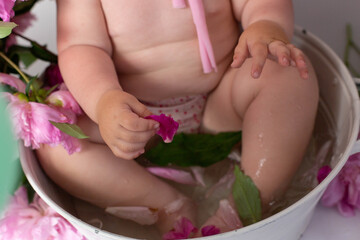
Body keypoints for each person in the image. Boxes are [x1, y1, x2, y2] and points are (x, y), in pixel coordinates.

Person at [36, 0, 319, 235]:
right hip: (134, 122)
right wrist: (103, 101)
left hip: (220, 103)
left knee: (289, 72)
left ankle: (248, 204)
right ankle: (163, 204)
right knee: (53, 135)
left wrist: (264, 25)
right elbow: (81, 47)